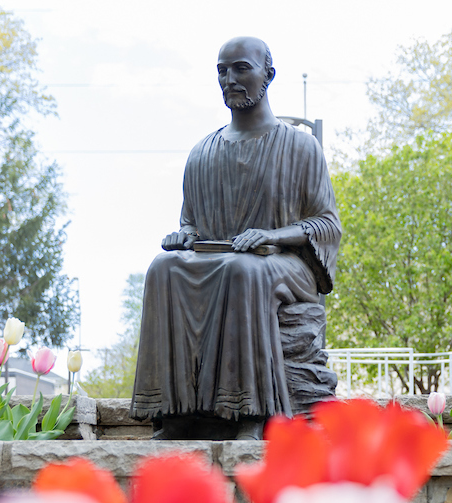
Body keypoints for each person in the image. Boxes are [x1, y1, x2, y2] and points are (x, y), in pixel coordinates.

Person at [131, 36, 341, 440]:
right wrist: (184, 237)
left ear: (268, 74)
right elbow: (191, 222)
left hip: (287, 265)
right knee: (164, 268)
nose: (230, 79)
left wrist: (274, 236)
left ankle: (251, 413)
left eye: (241, 68)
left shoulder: (301, 147)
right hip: (220, 260)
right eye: (222, 71)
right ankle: (176, 412)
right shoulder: (202, 153)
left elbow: (325, 224)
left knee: (244, 271)